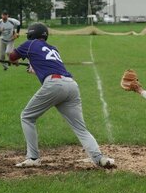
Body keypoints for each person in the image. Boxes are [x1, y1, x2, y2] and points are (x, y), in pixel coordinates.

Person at [8, 23, 115, 168]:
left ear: (31, 34)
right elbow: (48, 66)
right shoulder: (53, 48)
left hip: (55, 85)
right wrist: (33, 68)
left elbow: (12, 56)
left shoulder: (30, 43)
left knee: (27, 117)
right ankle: (99, 158)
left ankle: (33, 157)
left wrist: (14, 59)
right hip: (71, 85)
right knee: (80, 128)